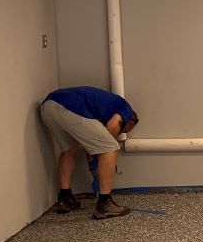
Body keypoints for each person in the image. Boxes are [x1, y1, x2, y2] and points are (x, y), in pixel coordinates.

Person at [40, 86, 139, 220]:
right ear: (130, 122)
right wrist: (98, 156)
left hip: (48, 106)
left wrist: (93, 156)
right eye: (126, 130)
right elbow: (113, 126)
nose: (123, 133)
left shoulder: (104, 106)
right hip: (72, 107)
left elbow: (89, 146)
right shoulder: (126, 109)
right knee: (109, 148)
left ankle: (65, 199)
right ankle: (104, 204)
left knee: (69, 150)